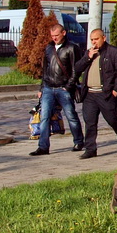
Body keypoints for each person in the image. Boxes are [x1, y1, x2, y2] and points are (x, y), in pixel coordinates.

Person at [72, 28, 117, 159]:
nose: (94, 42)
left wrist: (116, 89)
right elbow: (77, 68)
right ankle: (90, 149)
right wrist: (88, 57)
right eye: (92, 40)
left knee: (112, 119)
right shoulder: (89, 53)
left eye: (96, 39)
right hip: (90, 94)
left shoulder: (113, 52)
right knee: (90, 122)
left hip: (105, 94)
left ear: (103, 38)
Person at [29, 23, 86, 156]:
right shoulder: (49, 48)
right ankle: (43, 146)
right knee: (44, 117)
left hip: (63, 88)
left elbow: (75, 70)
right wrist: (41, 87)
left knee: (71, 115)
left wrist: (69, 86)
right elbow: (45, 69)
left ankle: (78, 141)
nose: (54, 38)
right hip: (49, 88)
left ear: (63, 33)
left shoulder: (72, 48)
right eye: (52, 36)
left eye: (56, 35)